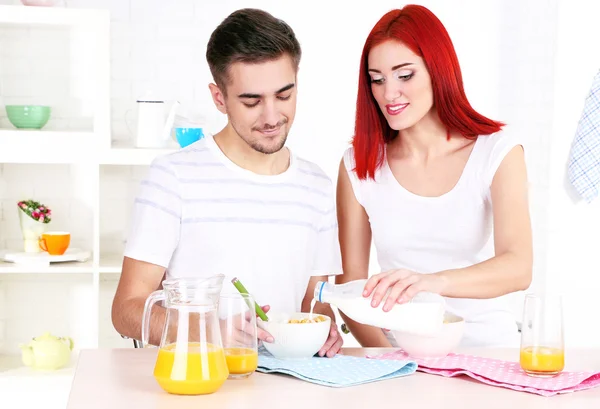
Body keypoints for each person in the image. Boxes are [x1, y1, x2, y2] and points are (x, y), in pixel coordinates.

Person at [112, 8, 343, 357]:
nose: (271, 117)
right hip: (200, 383)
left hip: (288, 385)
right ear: (219, 98)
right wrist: (206, 332)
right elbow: (126, 310)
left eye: (284, 96)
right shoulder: (172, 178)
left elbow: (315, 304)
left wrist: (326, 329)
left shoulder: (317, 186)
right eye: (252, 101)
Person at [336, 4, 533, 347]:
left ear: (437, 71)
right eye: (377, 80)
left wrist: (431, 282)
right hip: (402, 358)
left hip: (489, 350)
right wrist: (393, 361)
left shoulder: (496, 152)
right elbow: (351, 283)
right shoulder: (358, 165)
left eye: (405, 75)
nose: (388, 93)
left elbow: (518, 267)